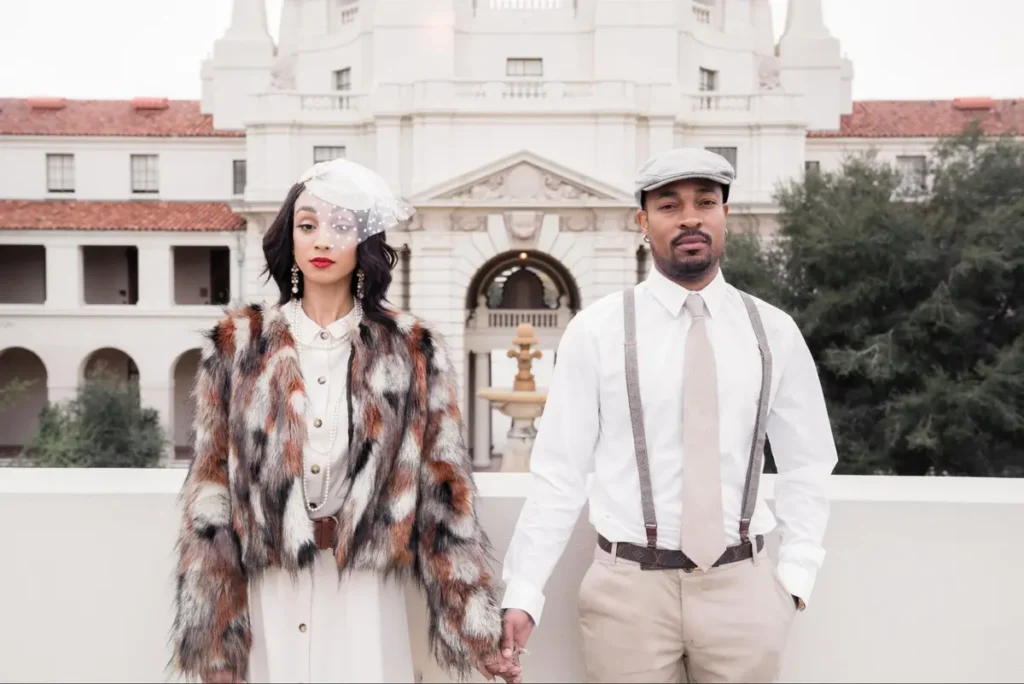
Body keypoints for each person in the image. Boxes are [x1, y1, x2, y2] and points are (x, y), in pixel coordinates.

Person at [169, 158, 520, 684]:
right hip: (271, 598)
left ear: (365, 243)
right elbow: (210, 493)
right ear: (289, 239)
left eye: (340, 226)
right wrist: (214, 646)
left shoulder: (412, 350)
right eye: (308, 225)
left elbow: (444, 498)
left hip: (364, 597)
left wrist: (478, 634)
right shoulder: (239, 346)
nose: (322, 240)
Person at [499, 148, 838, 683]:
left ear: (725, 214)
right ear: (643, 221)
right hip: (627, 593)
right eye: (669, 205)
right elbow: (560, 471)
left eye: (706, 202)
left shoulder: (772, 331)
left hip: (743, 591)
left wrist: (795, 576)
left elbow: (808, 461)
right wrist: (523, 590)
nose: (690, 218)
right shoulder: (596, 330)